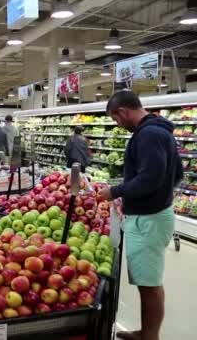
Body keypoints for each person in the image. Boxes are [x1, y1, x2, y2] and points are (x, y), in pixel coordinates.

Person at [97, 91, 183, 340]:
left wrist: (115, 191)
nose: (118, 125)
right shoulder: (158, 132)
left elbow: (149, 178)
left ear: (122, 112)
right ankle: (146, 332)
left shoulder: (148, 135)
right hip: (152, 213)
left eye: (116, 120)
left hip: (149, 219)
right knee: (147, 282)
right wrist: (155, 195)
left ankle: (150, 337)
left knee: (150, 285)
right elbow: (175, 174)